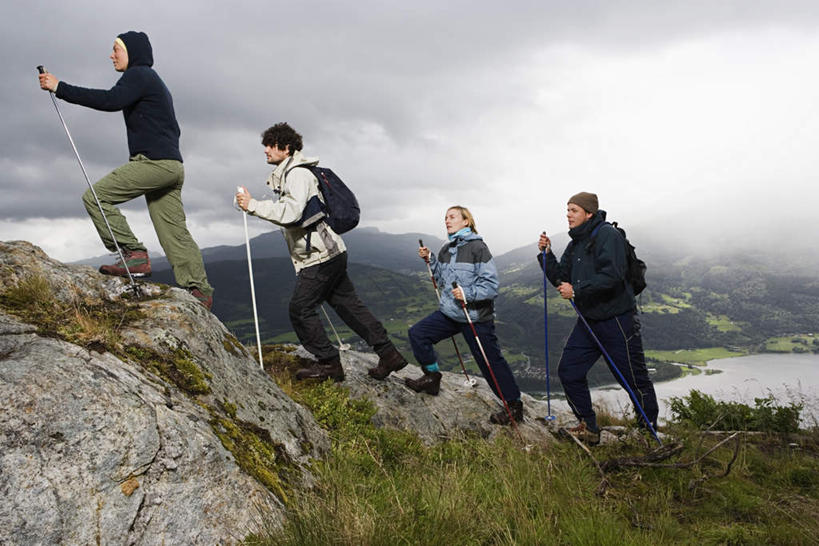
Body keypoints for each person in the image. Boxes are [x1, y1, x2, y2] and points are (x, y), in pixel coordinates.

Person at [38, 31, 214, 309]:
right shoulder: (152, 80)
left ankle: (134, 253)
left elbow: (111, 100)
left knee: (96, 197)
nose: (111, 55)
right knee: (173, 231)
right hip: (172, 166)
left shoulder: (139, 74)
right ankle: (200, 292)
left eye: (116, 49)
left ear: (132, 52)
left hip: (154, 163)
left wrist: (60, 87)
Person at [235, 122, 408, 382]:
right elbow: (292, 210)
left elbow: (291, 213)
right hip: (330, 251)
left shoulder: (297, 175)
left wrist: (253, 206)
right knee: (349, 306)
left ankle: (329, 365)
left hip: (320, 255)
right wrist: (249, 204)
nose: (265, 150)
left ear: (286, 147)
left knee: (300, 309)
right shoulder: (292, 173)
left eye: (270, 145)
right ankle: (389, 354)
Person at [538, 192, 658, 444]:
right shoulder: (576, 243)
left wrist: (577, 290)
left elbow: (613, 275)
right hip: (589, 320)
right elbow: (561, 278)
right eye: (567, 210)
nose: (568, 215)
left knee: (634, 379)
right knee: (569, 371)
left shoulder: (607, 235)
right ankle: (588, 427)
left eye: (574, 210)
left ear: (589, 213)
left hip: (618, 320)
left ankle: (647, 433)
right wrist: (547, 255)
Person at [400, 206, 524, 426]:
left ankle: (514, 406)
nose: (447, 221)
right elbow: (441, 279)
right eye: (445, 217)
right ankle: (432, 377)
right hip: (451, 312)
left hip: (475, 316)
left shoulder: (478, 248)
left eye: (452, 217)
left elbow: (491, 285)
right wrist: (430, 259)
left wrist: (468, 293)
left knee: (489, 361)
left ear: (466, 221)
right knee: (417, 334)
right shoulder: (446, 249)